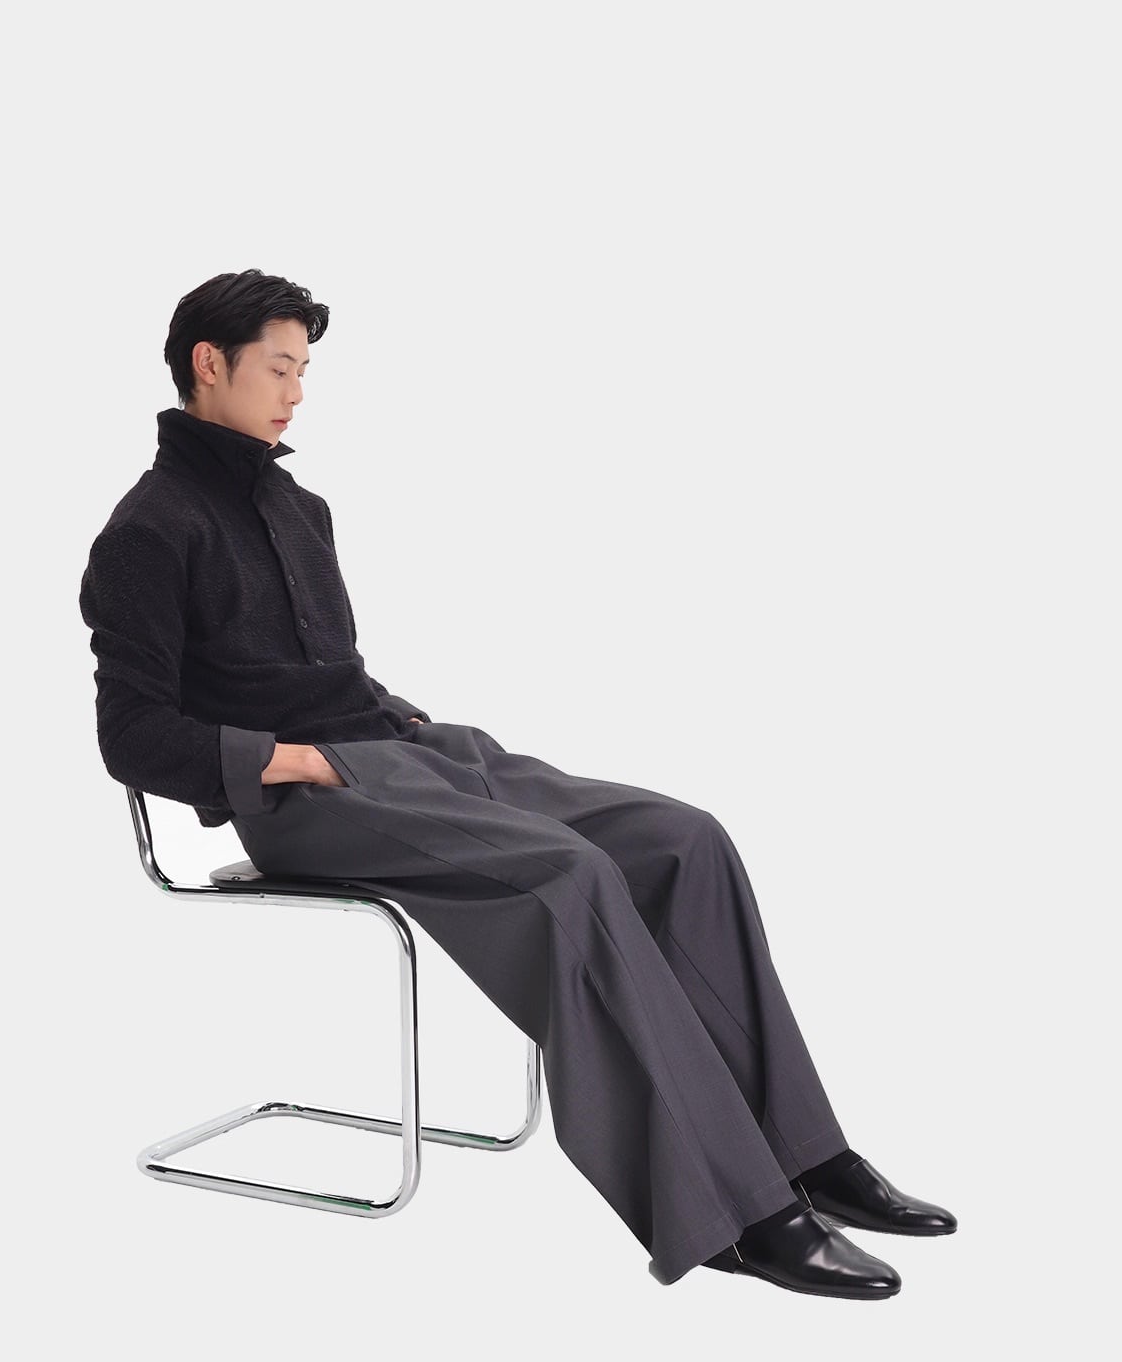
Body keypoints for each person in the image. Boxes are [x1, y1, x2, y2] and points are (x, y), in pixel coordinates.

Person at [79, 268, 957, 1298]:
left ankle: (804, 1150)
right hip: (303, 799)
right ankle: (732, 1212)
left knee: (685, 839)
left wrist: (406, 724)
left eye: (305, 370)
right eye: (279, 368)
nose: (298, 392)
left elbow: (325, 666)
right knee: (570, 875)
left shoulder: (300, 506)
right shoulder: (147, 531)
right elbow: (131, 733)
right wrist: (298, 760)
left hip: (403, 751)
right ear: (208, 364)